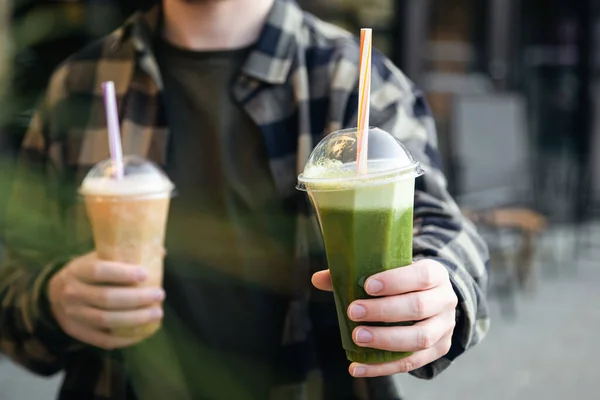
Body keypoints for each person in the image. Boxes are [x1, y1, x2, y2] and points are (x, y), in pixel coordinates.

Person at [0, 0, 490, 399]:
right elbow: (11, 280)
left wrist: (440, 287)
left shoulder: (353, 77)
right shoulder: (79, 86)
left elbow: (443, 227)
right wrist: (51, 300)